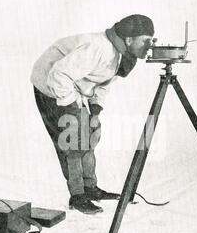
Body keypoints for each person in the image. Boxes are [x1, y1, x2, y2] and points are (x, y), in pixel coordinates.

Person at [31, 14, 155, 214]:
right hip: (49, 83)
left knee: (92, 133)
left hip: (73, 86)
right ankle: (77, 196)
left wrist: (94, 111)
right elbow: (59, 74)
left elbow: (104, 83)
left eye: (152, 40)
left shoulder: (122, 55)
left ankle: (90, 188)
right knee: (74, 139)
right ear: (129, 40)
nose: (150, 45)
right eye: (145, 40)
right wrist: (72, 109)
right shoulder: (98, 48)